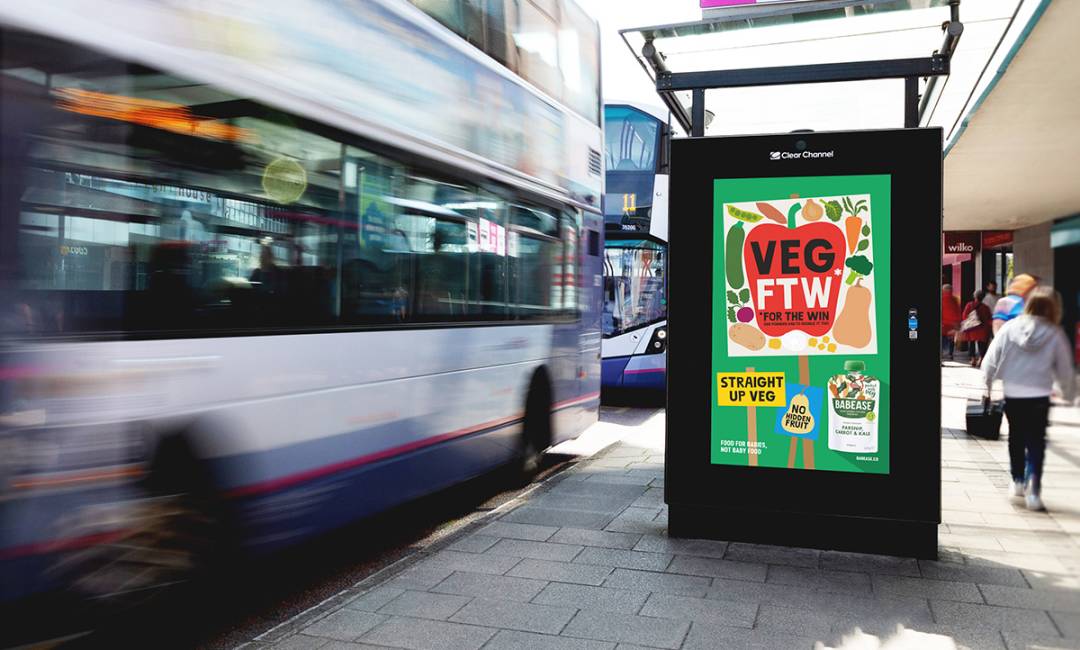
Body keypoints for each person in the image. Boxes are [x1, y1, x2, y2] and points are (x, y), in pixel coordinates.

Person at [982, 286, 1076, 511]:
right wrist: (1069, 392)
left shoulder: (1010, 328)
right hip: (1039, 396)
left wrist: (987, 384)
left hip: (1013, 394)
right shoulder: (1054, 333)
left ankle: (1017, 481)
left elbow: (992, 358)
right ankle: (1034, 490)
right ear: (1053, 308)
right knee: (1036, 442)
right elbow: (1064, 368)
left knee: (1016, 437)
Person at [961, 289, 993, 367]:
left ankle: (973, 359)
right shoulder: (986, 307)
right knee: (982, 345)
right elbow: (989, 319)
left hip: (972, 328)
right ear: (983, 297)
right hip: (982, 328)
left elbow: (964, 316)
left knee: (971, 343)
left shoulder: (969, 305)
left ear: (974, 296)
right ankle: (981, 359)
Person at [941, 284, 961, 361]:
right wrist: (958, 322)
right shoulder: (954, 299)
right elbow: (958, 311)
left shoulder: (941, 299)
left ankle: (942, 354)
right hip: (953, 324)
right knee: (951, 339)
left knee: (942, 339)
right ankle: (950, 354)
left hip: (943, 323)